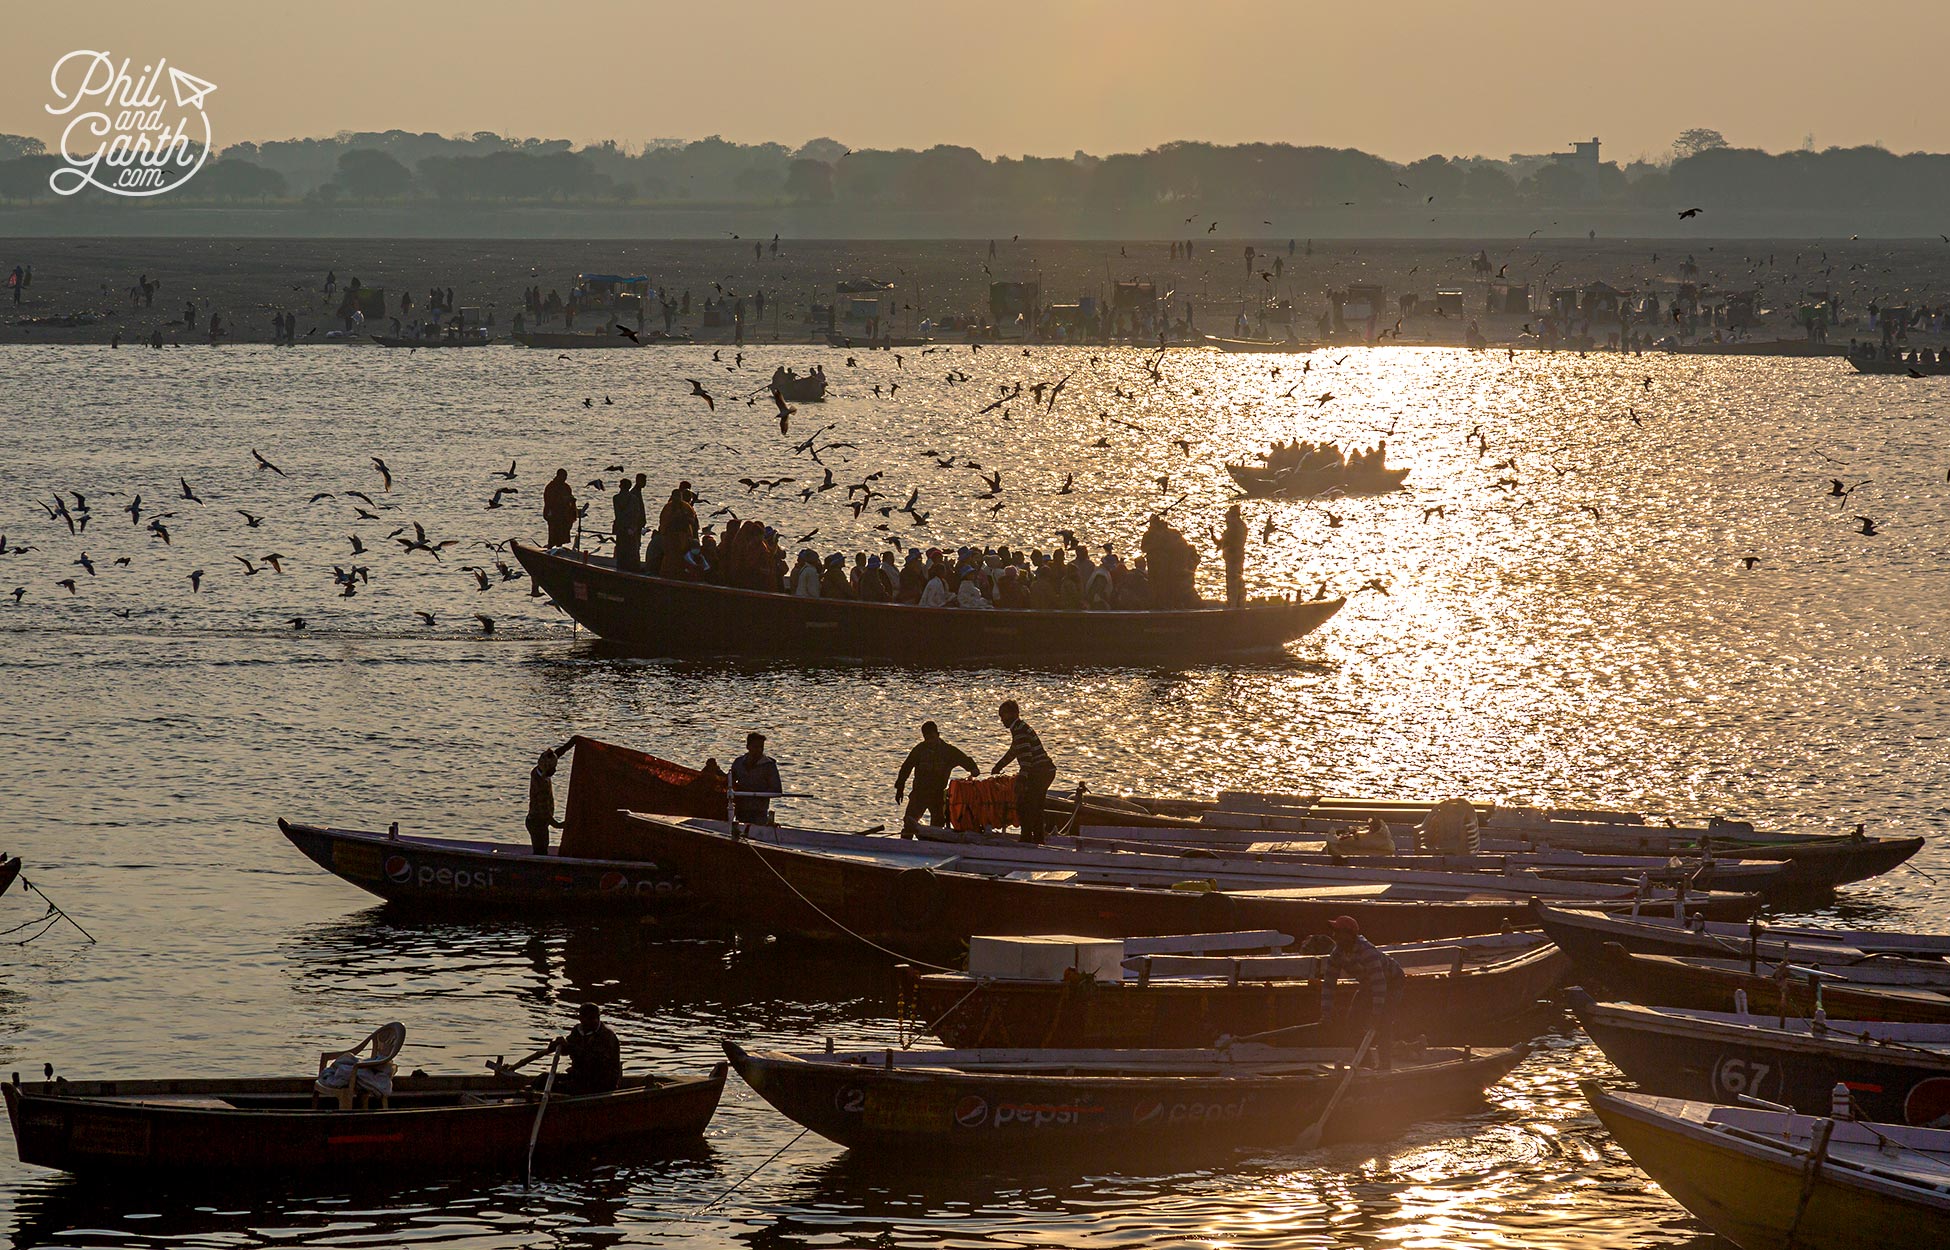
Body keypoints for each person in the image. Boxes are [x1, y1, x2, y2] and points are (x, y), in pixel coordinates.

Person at [1319, 916, 1405, 1069]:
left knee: (1383, 1023)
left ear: (1349, 935)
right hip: (1368, 983)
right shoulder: (1337, 954)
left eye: (1338, 933)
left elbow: (1380, 985)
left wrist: (1376, 1013)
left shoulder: (1367, 952)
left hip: (1392, 982)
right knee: (1353, 1023)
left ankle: (1385, 1065)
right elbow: (1329, 984)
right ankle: (1365, 1063)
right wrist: (1326, 1013)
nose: (1334, 936)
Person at [894, 721, 980, 834]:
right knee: (909, 821)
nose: (930, 741)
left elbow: (965, 760)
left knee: (938, 825)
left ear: (938, 735)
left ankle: (933, 845)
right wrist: (900, 788)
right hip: (919, 793)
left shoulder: (948, 751)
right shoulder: (919, 750)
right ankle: (905, 844)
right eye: (927, 738)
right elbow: (906, 768)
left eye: (932, 737)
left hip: (937, 795)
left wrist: (973, 769)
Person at [992, 699, 1056, 844]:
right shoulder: (1020, 728)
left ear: (1014, 714)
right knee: (1036, 805)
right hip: (1045, 771)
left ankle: (1028, 838)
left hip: (1040, 771)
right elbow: (1014, 751)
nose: (1002, 720)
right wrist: (999, 766)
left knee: (1025, 804)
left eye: (1004, 716)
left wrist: (1022, 779)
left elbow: (1027, 757)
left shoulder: (1019, 730)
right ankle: (1038, 838)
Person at [547, 1004, 623, 1095]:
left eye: (596, 1017)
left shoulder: (606, 1036)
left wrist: (570, 1047)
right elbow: (567, 1049)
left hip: (601, 1082)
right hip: (580, 1077)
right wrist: (556, 1045)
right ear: (581, 1018)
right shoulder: (577, 1030)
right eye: (590, 1018)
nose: (594, 1021)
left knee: (564, 1088)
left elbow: (595, 1060)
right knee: (542, 1079)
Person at [729, 732, 781, 824]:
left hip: (759, 811)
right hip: (741, 808)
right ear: (748, 747)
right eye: (755, 747)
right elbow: (729, 781)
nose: (759, 750)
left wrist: (758, 794)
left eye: (761, 747)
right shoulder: (738, 762)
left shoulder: (769, 765)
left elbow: (776, 790)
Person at [527, 746, 565, 855]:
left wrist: (573, 741)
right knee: (541, 850)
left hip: (540, 821)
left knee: (544, 845)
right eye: (552, 769)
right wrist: (558, 825)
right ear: (547, 768)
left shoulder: (538, 770)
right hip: (536, 822)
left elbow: (557, 754)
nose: (555, 770)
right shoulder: (540, 785)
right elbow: (544, 811)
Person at [1221, 503, 1247, 607]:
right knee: (1237, 580)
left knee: (1233, 580)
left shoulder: (1235, 526)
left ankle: (1234, 604)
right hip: (1236, 556)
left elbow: (1226, 542)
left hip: (1234, 557)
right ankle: (1238, 603)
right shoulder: (1240, 525)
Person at [542, 470, 577, 548]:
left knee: (562, 536)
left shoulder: (566, 487)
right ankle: (550, 549)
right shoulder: (551, 486)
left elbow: (570, 498)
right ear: (558, 476)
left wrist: (571, 501)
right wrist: (562, 500)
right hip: (553, 514)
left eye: (565, 477)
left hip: (564, 515)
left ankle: (559, 549)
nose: (564, 478)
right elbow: (548, 500)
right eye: (563, 476)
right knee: (553, 536)